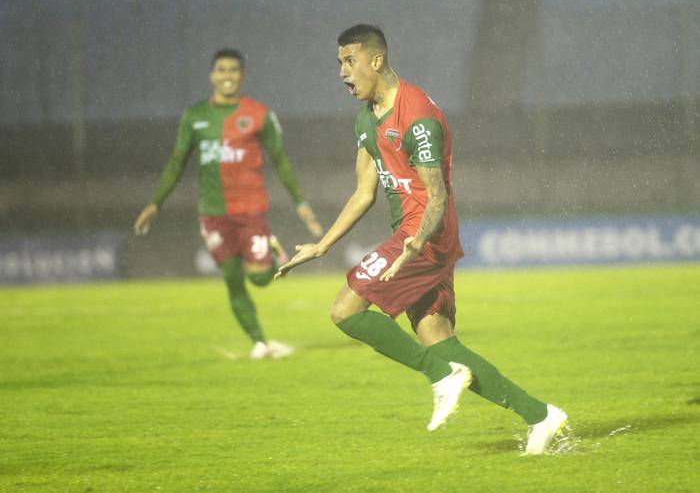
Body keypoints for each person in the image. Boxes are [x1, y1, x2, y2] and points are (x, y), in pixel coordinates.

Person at [276, 24, 567, 454]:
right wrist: (322, 246)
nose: (342, 72)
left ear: (376, 61)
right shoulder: (366, 118)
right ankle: (541, 416)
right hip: (413, 236)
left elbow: (438, 196)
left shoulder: (417, 116)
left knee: (345, 310)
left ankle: (439, 374)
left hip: (426, 235)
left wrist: (416, 243)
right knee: (438, 339)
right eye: (339, 63)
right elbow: (363, 193)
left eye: (349, 61)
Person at [135, 48, 322, 360]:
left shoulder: (259, 114)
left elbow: (281, 161)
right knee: (233, 282)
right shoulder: (195, 116)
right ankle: (260, 342)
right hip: (212, 215)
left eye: (233, 70)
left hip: (250, 212)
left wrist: (300, 203)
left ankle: (274, 250)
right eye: (221, 70)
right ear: (212, 76)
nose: (227, 76)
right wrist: (155, 204)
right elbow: (177, 161)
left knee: (260, 279)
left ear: (242, 76)